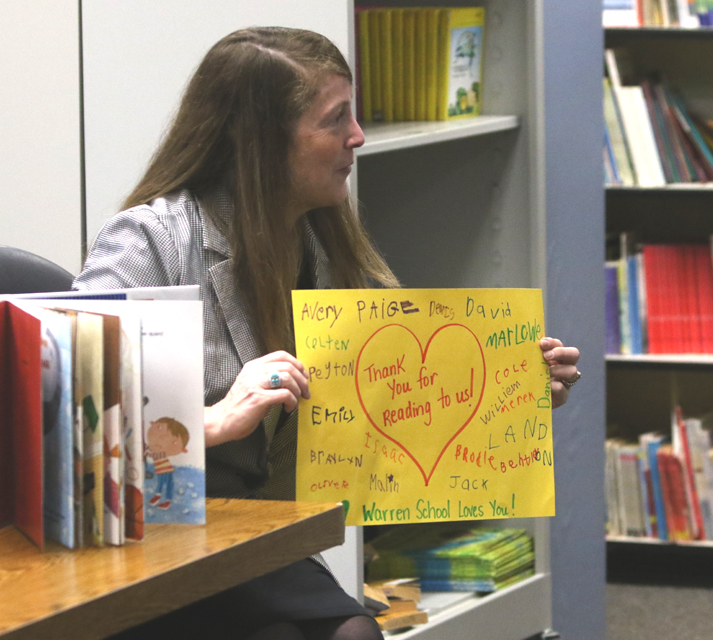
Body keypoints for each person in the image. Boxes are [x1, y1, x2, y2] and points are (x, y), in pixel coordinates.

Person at [74, 27, 581, 640]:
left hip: (260, 544)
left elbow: (404, 404)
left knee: (348, 635)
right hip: (153, 538)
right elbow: (81, 430)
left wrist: (513, 399)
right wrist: (209, 423)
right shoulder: (147, 240)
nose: (358, 136)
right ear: (261, 142)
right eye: (335, 118)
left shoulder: (328, 247)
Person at [146, 417, 190, 510]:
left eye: (174, 442)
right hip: (161, 470)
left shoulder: (160, 452)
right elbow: (152, 448)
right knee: (162, 484)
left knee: (166, 484)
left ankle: (166, 500)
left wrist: (146, 453)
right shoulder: (155, 447)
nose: (162, 440)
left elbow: (154, 454)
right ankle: (160, 498)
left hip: (166, 470)